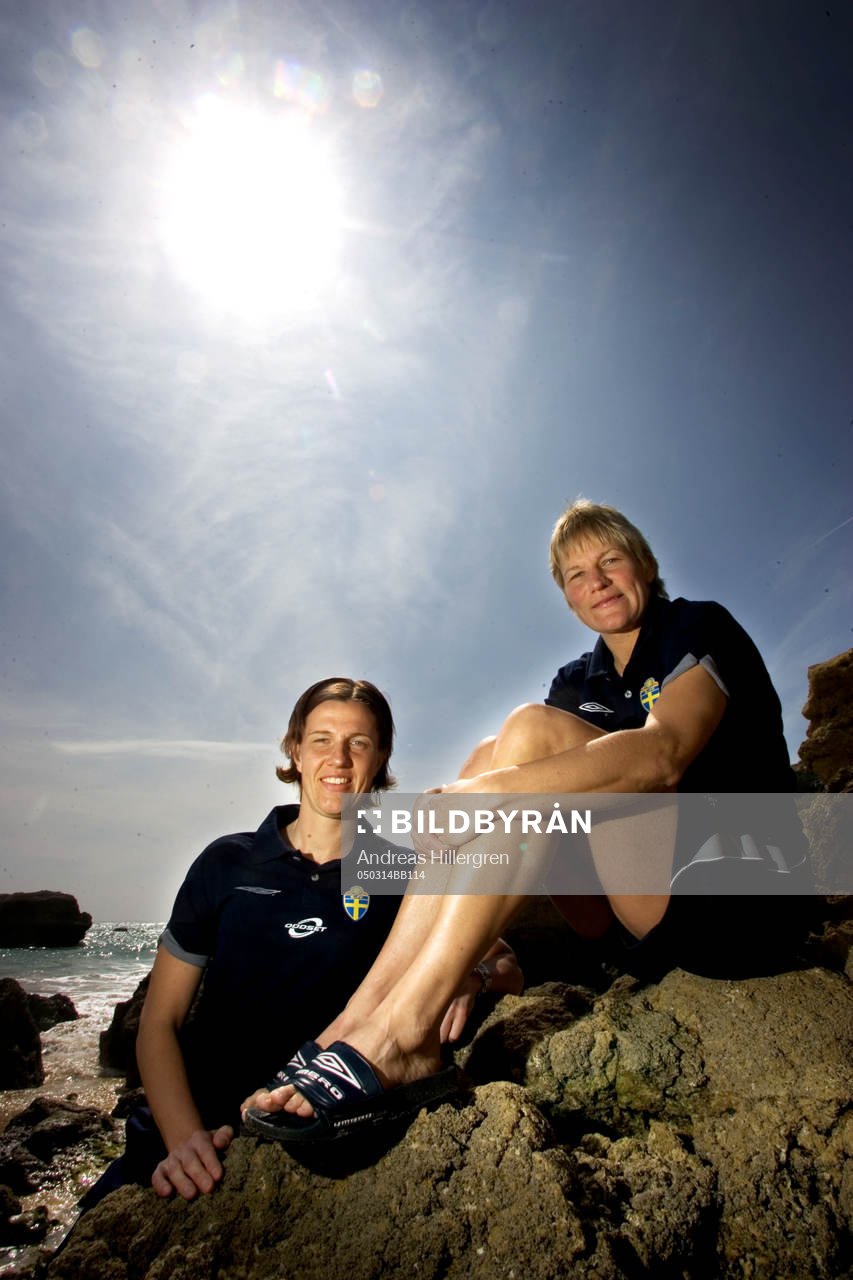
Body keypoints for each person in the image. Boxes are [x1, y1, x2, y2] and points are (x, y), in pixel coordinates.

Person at [245, 501, 813, 1144]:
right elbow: (549, 835)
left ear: (646, 566)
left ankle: (409, 1030)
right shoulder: (580, 680)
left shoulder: (697, 627)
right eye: (574, 575)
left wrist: (481, 793)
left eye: (610, 561)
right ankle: (360, 1017)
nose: (594, 582)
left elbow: (663, 756)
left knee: (523, 738)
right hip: (629, 919)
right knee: (496, 751)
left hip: (743, 899)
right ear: (565, 597)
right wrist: (479, 939)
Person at [84, 677, 522, 1202]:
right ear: (294, 749)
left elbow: (506, 965)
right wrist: (184, 1140)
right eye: (321, 740)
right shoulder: (226, 862)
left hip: (312, 1120)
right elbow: (159, 1023)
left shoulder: (400, 869)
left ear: (380, 757)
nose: (338, 758)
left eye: (358, 743)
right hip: (188, 1128)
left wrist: (468, 977)